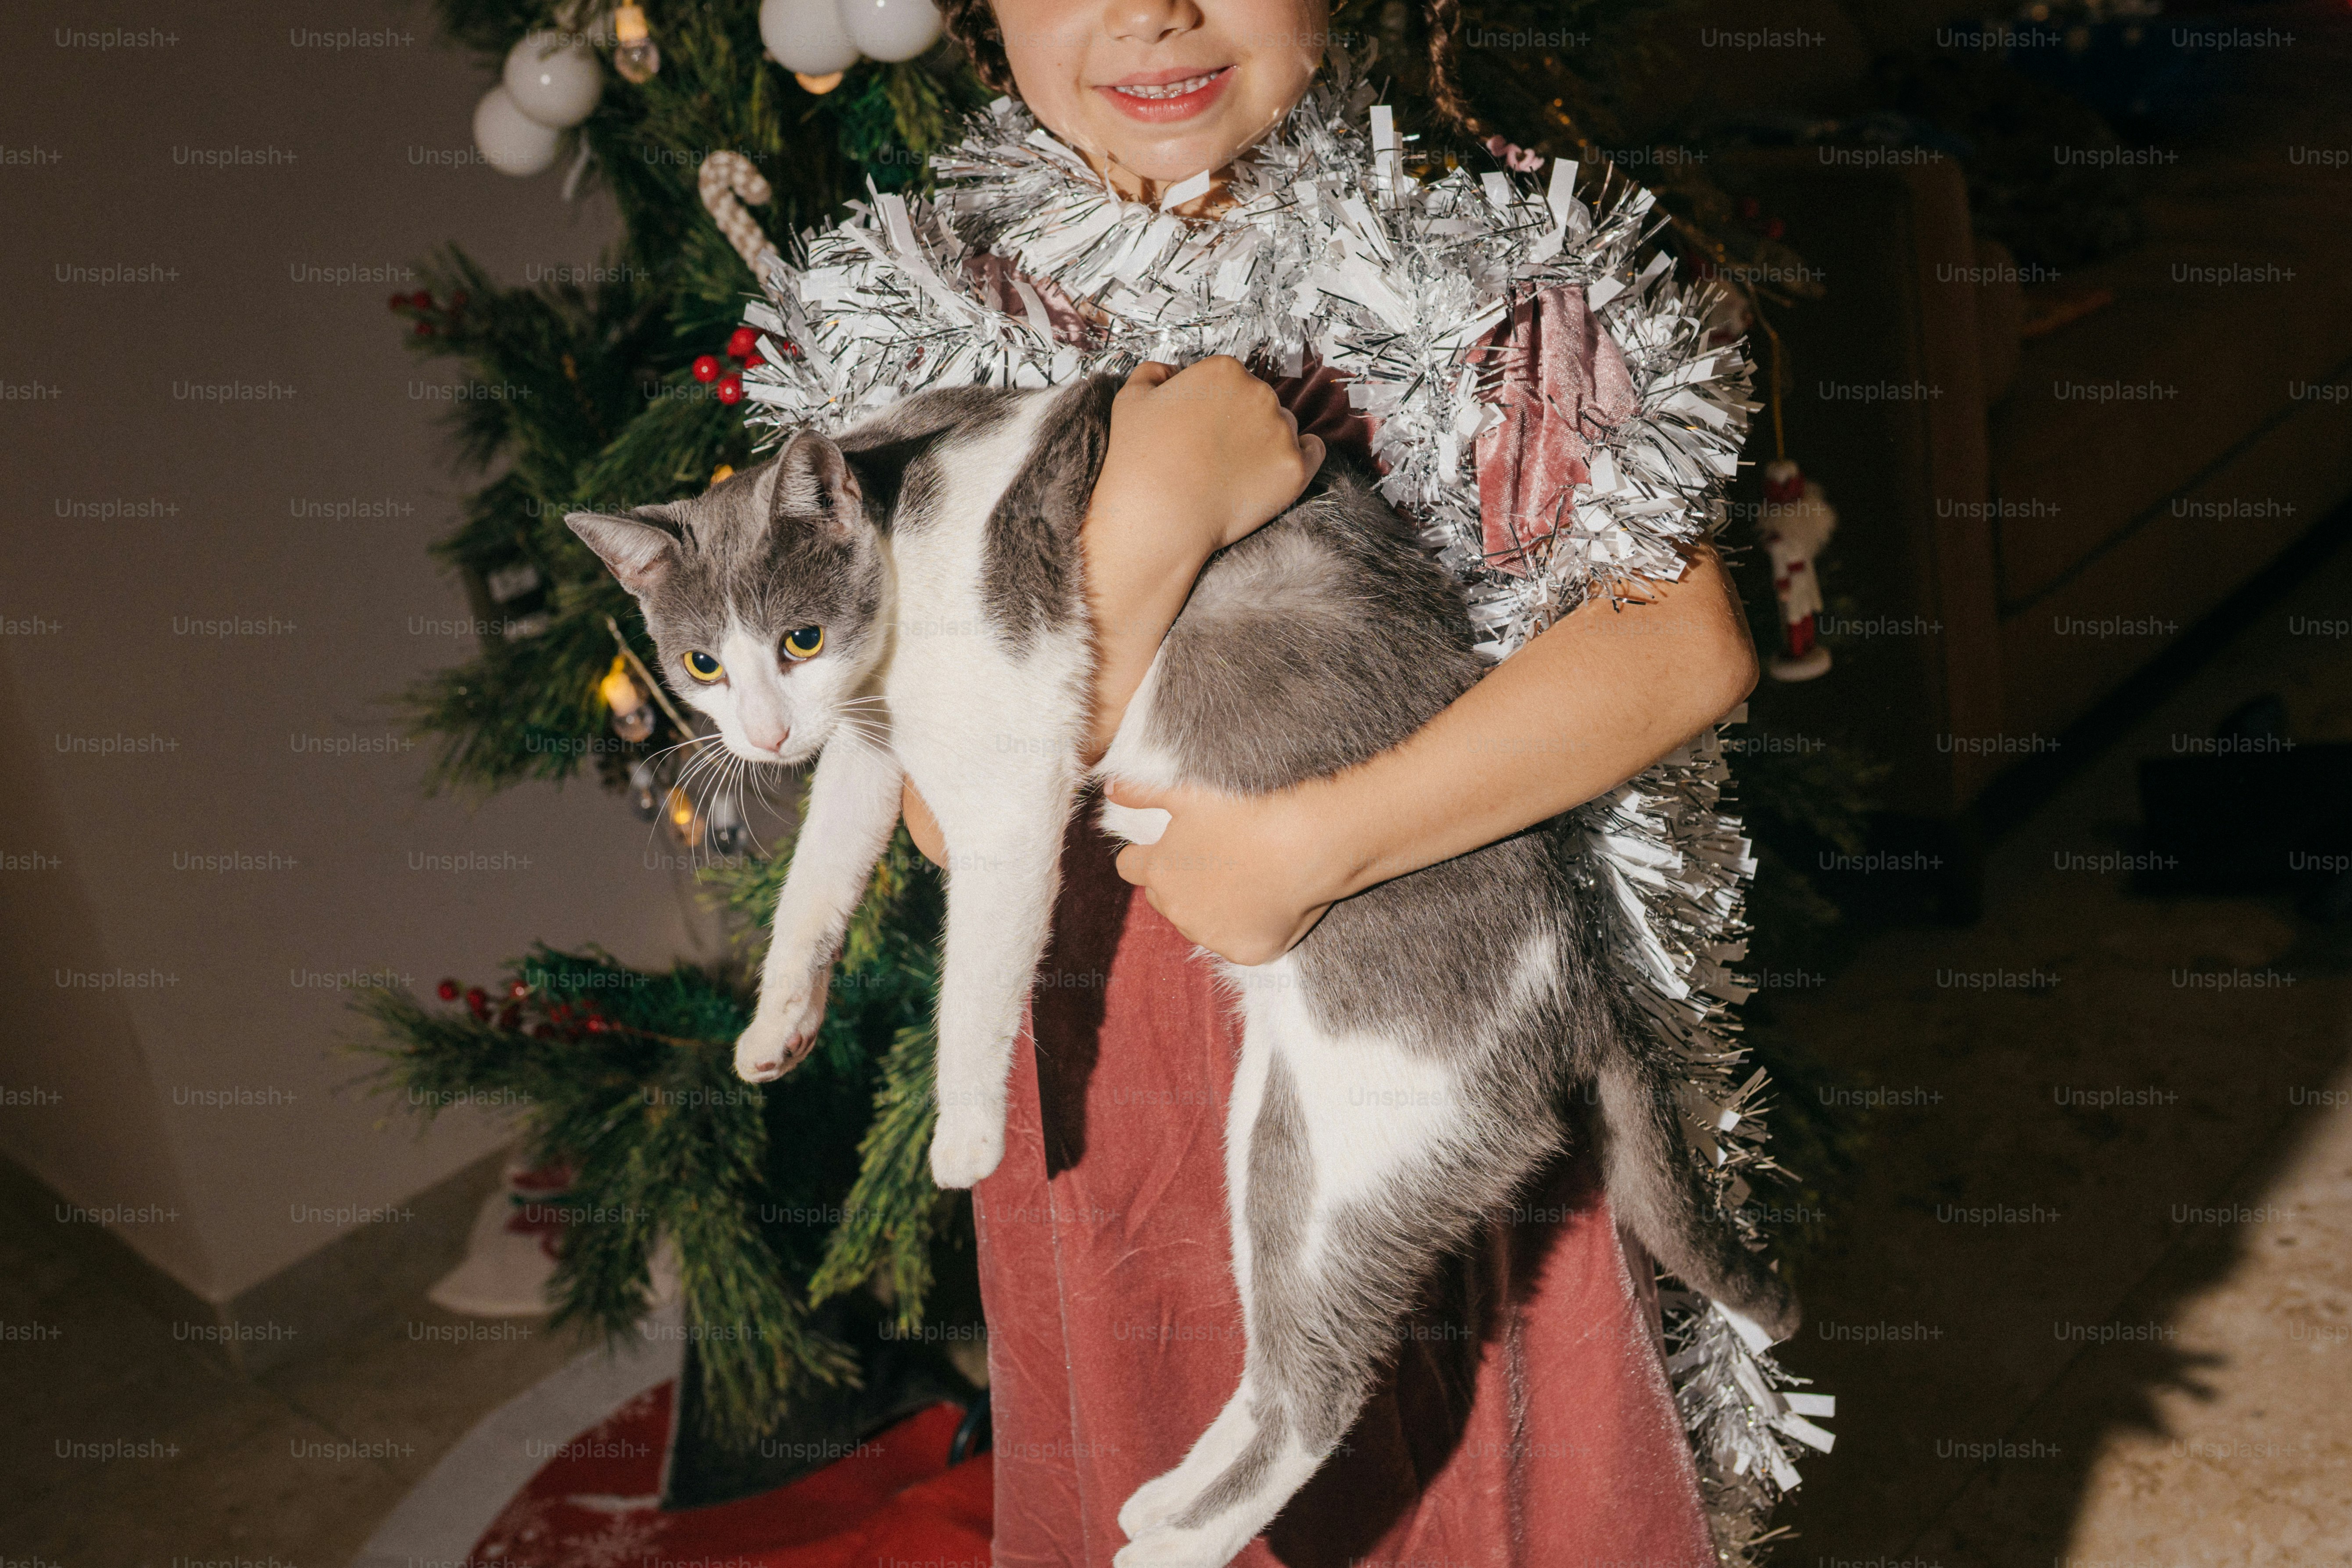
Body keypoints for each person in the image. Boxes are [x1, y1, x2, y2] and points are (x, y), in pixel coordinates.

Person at [888, 0, 1758, 1561]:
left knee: (1477, 1473)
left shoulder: (1481, 271)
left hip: (1425, 980)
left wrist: (1314, 844)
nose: (1152, 11)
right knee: (1163, 1426)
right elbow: (950, 815)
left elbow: (1680, 647)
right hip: (1120, 1051)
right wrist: (1156, 509)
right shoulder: (932, 322)